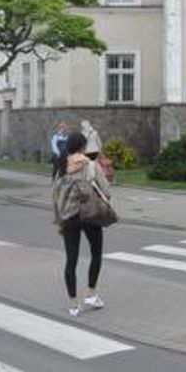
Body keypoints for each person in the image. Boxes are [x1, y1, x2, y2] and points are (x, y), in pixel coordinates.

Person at [51, 131, 110, 316]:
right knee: (96, 253)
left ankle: (73, 304)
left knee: (71, 260)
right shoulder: (91, 165)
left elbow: (55, 195)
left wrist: (59, 218)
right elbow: (106, 191)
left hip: (69, 216)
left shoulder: (61, 166)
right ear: (83, 147)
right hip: (90, 215)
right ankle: (91, 294)